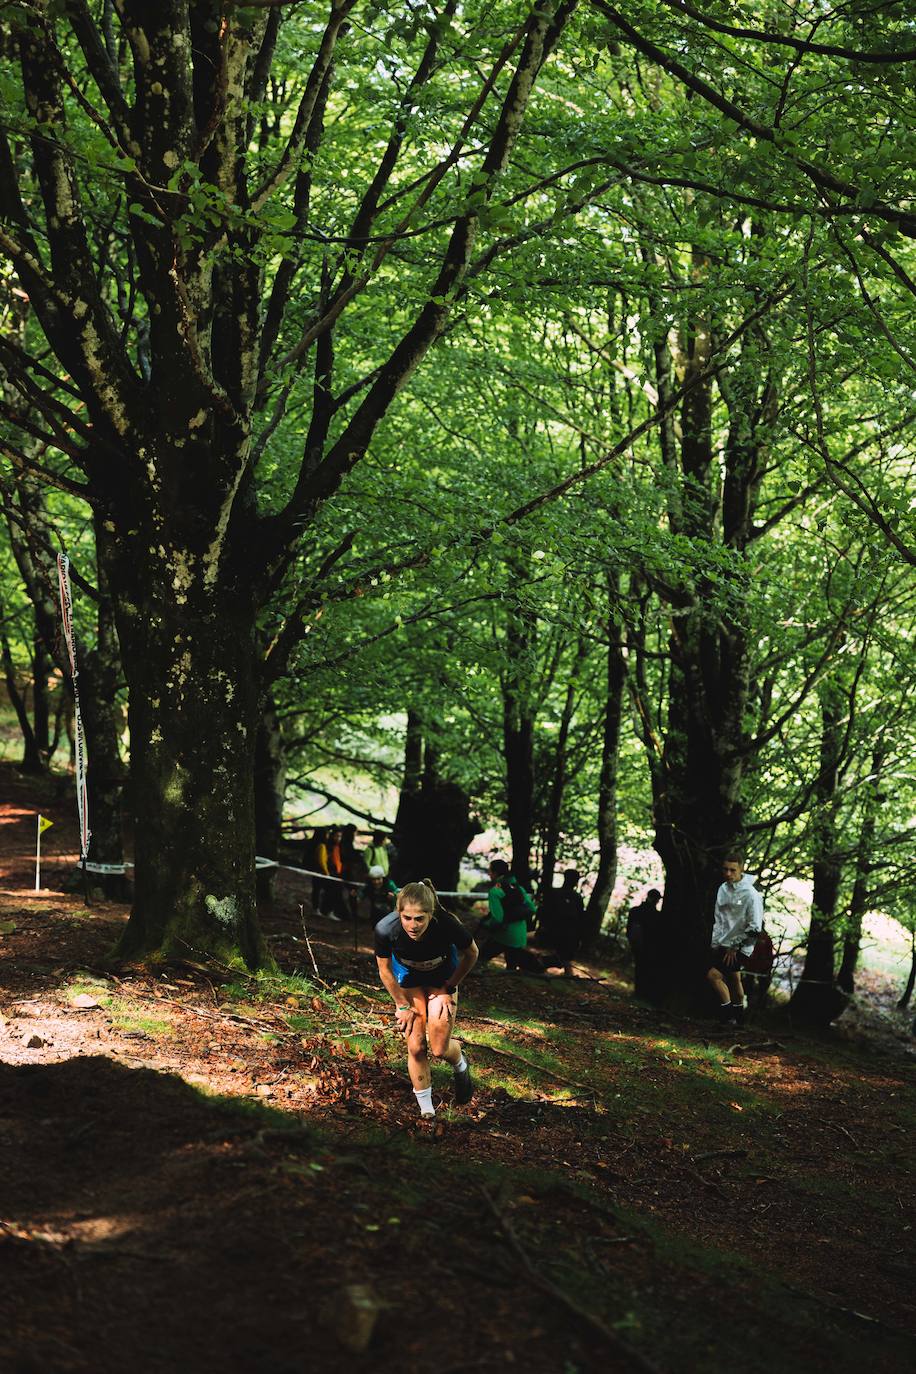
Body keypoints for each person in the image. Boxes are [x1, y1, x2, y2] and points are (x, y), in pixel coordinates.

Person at [374, 879, 478, 1119]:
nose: (413, 925)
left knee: (440, 1048)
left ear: (430, 915)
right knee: (416, 1045)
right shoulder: (385, 929)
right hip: (409, 979)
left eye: (420, 918)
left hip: (442, 977)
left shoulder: (447, 924)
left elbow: (472, 953)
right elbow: (384, 970)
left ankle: (460, 1064)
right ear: (398, 913)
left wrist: (449, 987)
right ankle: (427, 1112)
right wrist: (401, 1005)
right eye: (407, 918)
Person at [706, 854, 764, 1026]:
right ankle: (740, 1020)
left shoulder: (751, 894)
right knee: (733, 979)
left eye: (733, 870)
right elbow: (719, 919)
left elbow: (755, 927)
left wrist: (735, 946)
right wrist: (715, 943)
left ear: (741, 869)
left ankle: (727, 1015)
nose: (728, 873)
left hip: (741, 946)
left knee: (713, 975)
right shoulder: (722, 889)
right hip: (723, 943)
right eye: (725, 869)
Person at [476, 859, 543, 974]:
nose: (489, 874)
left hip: (504, 935)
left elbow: (498, 919)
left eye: (490, 871)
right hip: (520, 936)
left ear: (496, 873)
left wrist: (485, 925)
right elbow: (532, 909)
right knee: (511, 968)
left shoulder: (495, 891)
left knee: (479, 958)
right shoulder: (519, 888)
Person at [536, 869, 585, 977]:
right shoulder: (559, 894)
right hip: (558, 932)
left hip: (566, 933)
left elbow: (580, 918)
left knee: (565, 957)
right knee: (563, 957)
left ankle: (567, 974)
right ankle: (541, 963)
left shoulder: (575, 897)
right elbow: (544, 911)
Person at [626, 888, 663, 999]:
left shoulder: (635, 911)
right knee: (644, 969)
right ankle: (641, 994)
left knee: (640, 968)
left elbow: (629, 929)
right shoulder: (656, 915)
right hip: (648, 947)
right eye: (656, 899)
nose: (657, 901)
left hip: (640, 946)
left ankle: (639, 992)